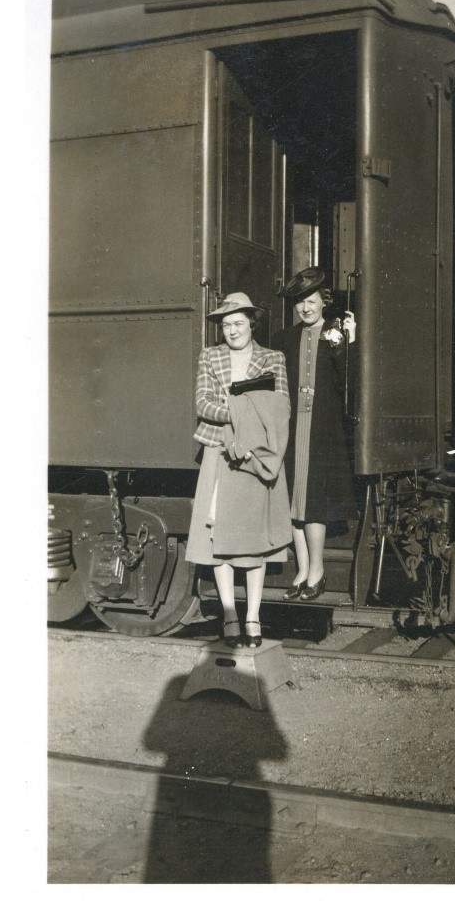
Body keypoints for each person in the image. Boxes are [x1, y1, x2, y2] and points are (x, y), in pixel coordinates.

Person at [185, 292, 292, 648]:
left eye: (238, 323)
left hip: (255, 457)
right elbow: (202, 404)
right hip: (219, 452)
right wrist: (243, 411)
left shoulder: (272, 358)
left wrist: (235, 408)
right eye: (226, 324)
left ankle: (253, 616)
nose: (232, 330)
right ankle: (230, 614)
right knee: (220, 541)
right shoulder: (210, 356)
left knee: (253, 542)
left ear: (251, 323)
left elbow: (281, 408)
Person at [271, 267, 357, 601]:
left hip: (322, 427)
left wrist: (350, 344)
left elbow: (348, 383)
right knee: (292, 498)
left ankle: (317, 570)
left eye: (311, 300)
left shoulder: (335, 335)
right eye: (299, 303)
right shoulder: (284, 340)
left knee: (314, 500)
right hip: (292, 427)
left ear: (324, 301)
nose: (305, 308)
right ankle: (302, 570)